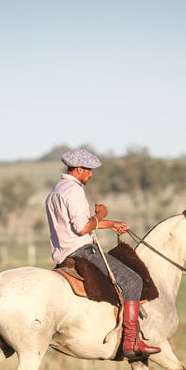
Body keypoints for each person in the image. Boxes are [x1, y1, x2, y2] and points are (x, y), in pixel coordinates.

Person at [45, 148, 160, 359]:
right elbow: (81, 229)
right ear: (78, 169)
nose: (91, 174)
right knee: (134, 281)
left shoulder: (56, 191)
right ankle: (131, 341)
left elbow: (76, 225)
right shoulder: (74, 191)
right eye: (89, 170)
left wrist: (110, 224)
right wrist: (101, 213)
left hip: (63, 253)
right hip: (82, 251)